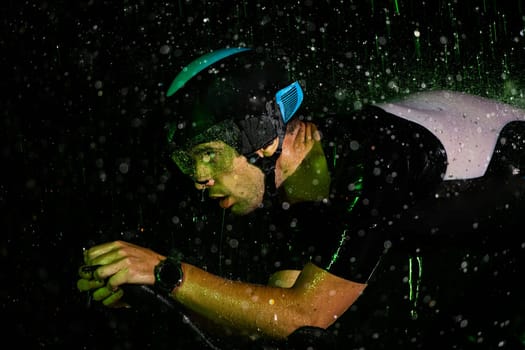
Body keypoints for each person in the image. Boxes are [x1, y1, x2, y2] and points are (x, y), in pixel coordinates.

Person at [77, 47, 525, 349]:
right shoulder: (300, 193)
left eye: (209, 156)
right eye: (187, 163)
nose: (198, 179)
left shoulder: (375, 160)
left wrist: (164, 271)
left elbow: (307, 313)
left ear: (263, 139)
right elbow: (271, 319)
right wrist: (155, 295)